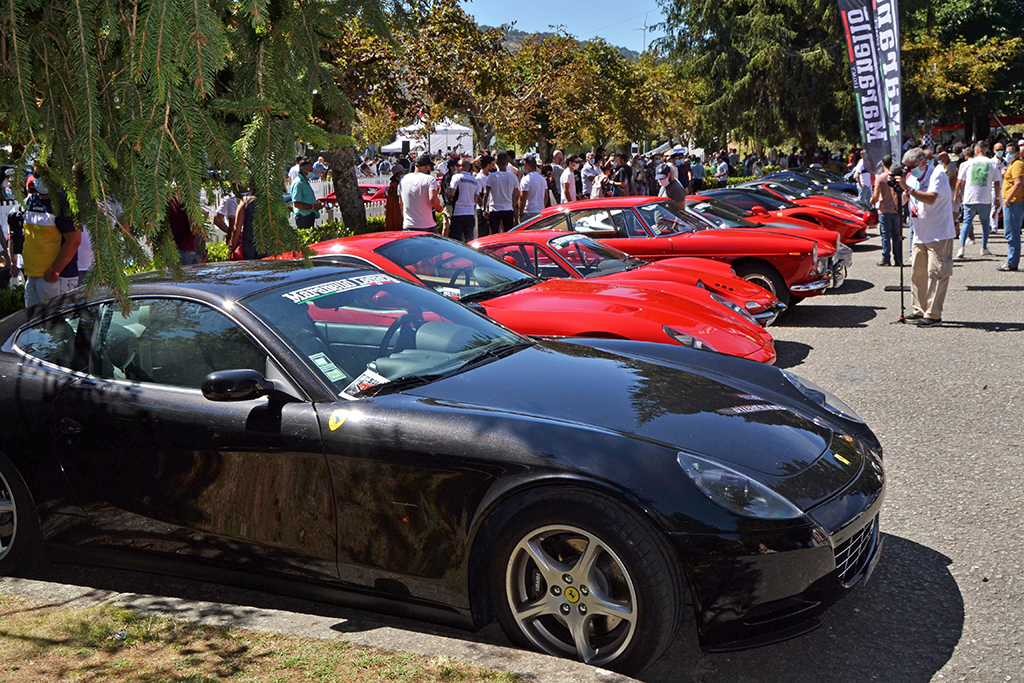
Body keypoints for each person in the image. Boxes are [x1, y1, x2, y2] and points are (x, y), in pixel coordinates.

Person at [898, 147, 956, 325]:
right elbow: (901, 201)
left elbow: (930, 198)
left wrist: (907, 189)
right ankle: (919, 309)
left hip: (939, 233)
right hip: (919, 234)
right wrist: (895, 190)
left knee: (937, 274)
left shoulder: (937, 174)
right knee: (918, 274)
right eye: (906, 167)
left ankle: (933, 314)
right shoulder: (910, 178)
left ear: (923, 162)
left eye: (912, 166)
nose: (909, 170)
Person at [9, 173, 81, 306]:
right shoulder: (31, 201)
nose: (40, 179)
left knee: (55, 318)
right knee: (33, 319)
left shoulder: (62, 205)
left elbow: (73, 241)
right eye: (37, 174)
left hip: (55, 279)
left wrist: (55, 271)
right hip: (32, 276)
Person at [955, 143, 1001, 258]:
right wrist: (997, 198)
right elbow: (997, 182)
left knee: (966, 222)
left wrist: (956, 195)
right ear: (986, 150)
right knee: (985, 222)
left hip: (970, 197)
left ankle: (961, 247)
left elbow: (960, 181)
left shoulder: (965, 164)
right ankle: (984, 247)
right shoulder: (992, 163)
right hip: (985, 197)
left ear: (976, 151)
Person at [398, 154, 441, 232]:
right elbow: (433, 199)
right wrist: (438, 208)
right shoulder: (429, 179)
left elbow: (401, 202)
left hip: (408, 225)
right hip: (426, 225)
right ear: (427, 167)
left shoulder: (403, 179)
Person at [871, 155, 900, 266]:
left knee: (885, 236)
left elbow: (876, 196)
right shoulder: (896, 177)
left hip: (884, 210)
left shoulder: (880, 178)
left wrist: (872, 201)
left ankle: (886, 259)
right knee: (896, 236)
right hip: (895, 209)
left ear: (882, 164)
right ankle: (898, 259)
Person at [999, 143, 1024, 271]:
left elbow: (1018, 183)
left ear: (1018, 153)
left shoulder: (1018, 164)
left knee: (1012, 233)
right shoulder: (1012, 165)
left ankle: (1012, 262)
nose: (1008, 154)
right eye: (1007, 152)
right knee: (1011, 233)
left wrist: (1008, 199)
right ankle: (1012, 261)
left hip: (1013, 203)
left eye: (1011, 152)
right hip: (1012, 203)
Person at [483, 152, 520, 233]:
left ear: (496, 163)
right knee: (508, 233)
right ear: (507, 163)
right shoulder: (513, 177)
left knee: (494, 234)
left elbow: (486, 193)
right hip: (508, 208)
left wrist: (485, 208)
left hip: (494, 209)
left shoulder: (491, 176)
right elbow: (516, 194)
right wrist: (513, 206)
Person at [447, 159, 480, 242]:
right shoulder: (475, 180)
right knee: (469, 240)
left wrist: (448, 192)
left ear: (462, 167)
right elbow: (475, 199)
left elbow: (452, 194)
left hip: (458, 212)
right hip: (470, 213)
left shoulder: (456, 177)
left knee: (456, 241)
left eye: (457, 165)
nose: (456, 168)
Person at [167, 195, 202, 265]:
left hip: (172, 250)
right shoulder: (187, 197)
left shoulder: (167, 198)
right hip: (185, 251)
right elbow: (195, 230)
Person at [290, 157, 323, 231]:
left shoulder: (305, 182)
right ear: (304, 171)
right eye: (310, 170)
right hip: (303, 217)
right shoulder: (298, 183)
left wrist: (316, 203)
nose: (312, 172)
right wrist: (313, 206)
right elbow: (297, 203)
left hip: (309, 216)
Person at [518, 157, 546, 222]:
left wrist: (520, 213)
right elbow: (546, 196)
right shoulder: (542, 179)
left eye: (524, 165)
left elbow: (523, 199)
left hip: (529, 212)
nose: (523, 167)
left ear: (528, 166)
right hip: (540, 212)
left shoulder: (525, 179)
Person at [384, 160, 407, 231]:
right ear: (397, 176)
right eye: (401, 173)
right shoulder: (394, 185)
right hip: (396, 208)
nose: (403, 175)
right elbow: (396, 196)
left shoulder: (400, 184)